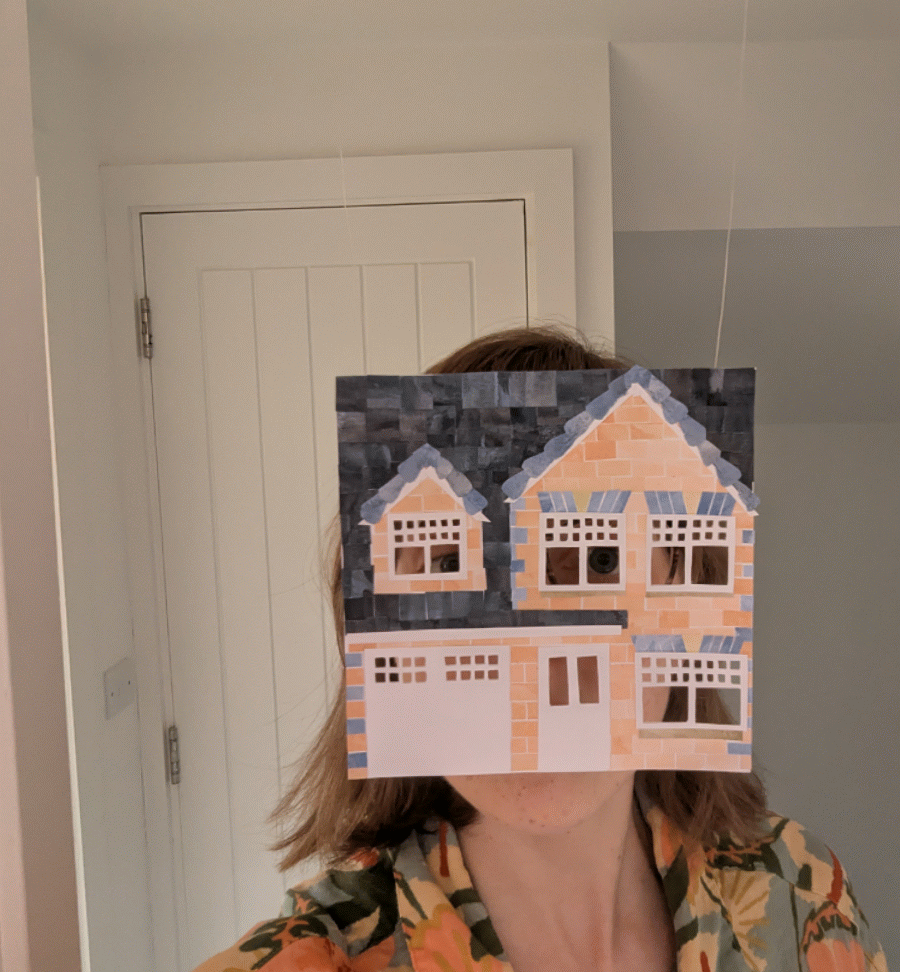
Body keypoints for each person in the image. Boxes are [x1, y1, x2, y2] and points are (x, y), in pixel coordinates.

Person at [195, 326, 887, 972]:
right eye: (443, 565)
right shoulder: (315, 957)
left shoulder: (802, 894)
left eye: (601, 556)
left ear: (694, 602)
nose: (525, 653)